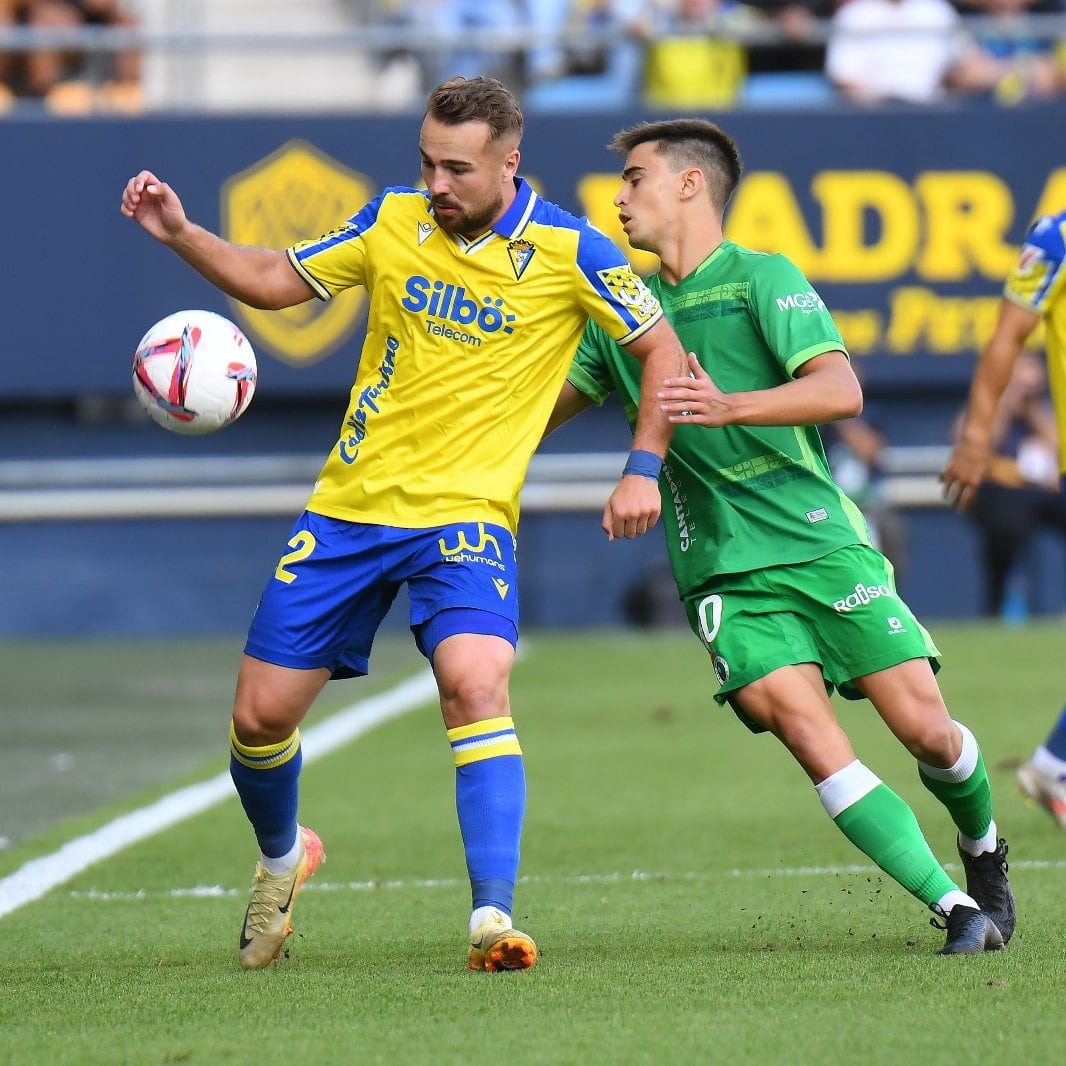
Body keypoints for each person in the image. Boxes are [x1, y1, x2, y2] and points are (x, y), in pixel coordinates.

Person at [120, 75, 686, 972]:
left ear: (510, 161)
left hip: (465, 517)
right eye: (426, 160)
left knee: (475, 682)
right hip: (349, 510)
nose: (436, 182)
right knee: (260, 721)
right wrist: (184, 235)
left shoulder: (572, 250)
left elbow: (661, 351)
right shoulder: (391, 220)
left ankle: (492, 917)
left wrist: (642, 467)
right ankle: (282, 858)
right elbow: (278, 281)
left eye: (456, 168)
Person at [547, 116, 1015, 954]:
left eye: (635, 180)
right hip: (723, 574)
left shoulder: (762, 277)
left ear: (691, 184)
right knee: (809, 736)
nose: (617, 199)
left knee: (928, 734)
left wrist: (732, 404)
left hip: (821, 543)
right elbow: (539, 411)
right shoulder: (619, 315)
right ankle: (956, 910)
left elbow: (840, 388)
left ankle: (983, 851)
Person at [941, 206, 1066, 829]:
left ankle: (1055, 762)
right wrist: (975, 441)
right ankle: (1054, 763)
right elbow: (1004, 340)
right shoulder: (1056, 238)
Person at [951, 349, 1066, 617]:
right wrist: (1005, 403)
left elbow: (1056, 448)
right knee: (1005, 528)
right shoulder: (984, 403)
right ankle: (995, 607)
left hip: (1039, 495)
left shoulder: (1042, 409)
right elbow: (976, 446)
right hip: (995, 497)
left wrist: (1030, 410)